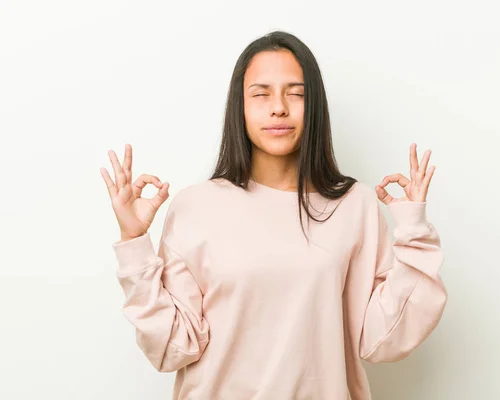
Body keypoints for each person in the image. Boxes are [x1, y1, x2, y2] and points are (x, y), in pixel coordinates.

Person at [100, 30, 447, 400]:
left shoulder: (355, 205)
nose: (278, 107)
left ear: (315, 107)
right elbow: (172, 348)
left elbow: (382, 339)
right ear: (240, 108)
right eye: (261, 94)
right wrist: (133, 241)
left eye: (296, 93)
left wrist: (413, 230)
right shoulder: (194, 207)